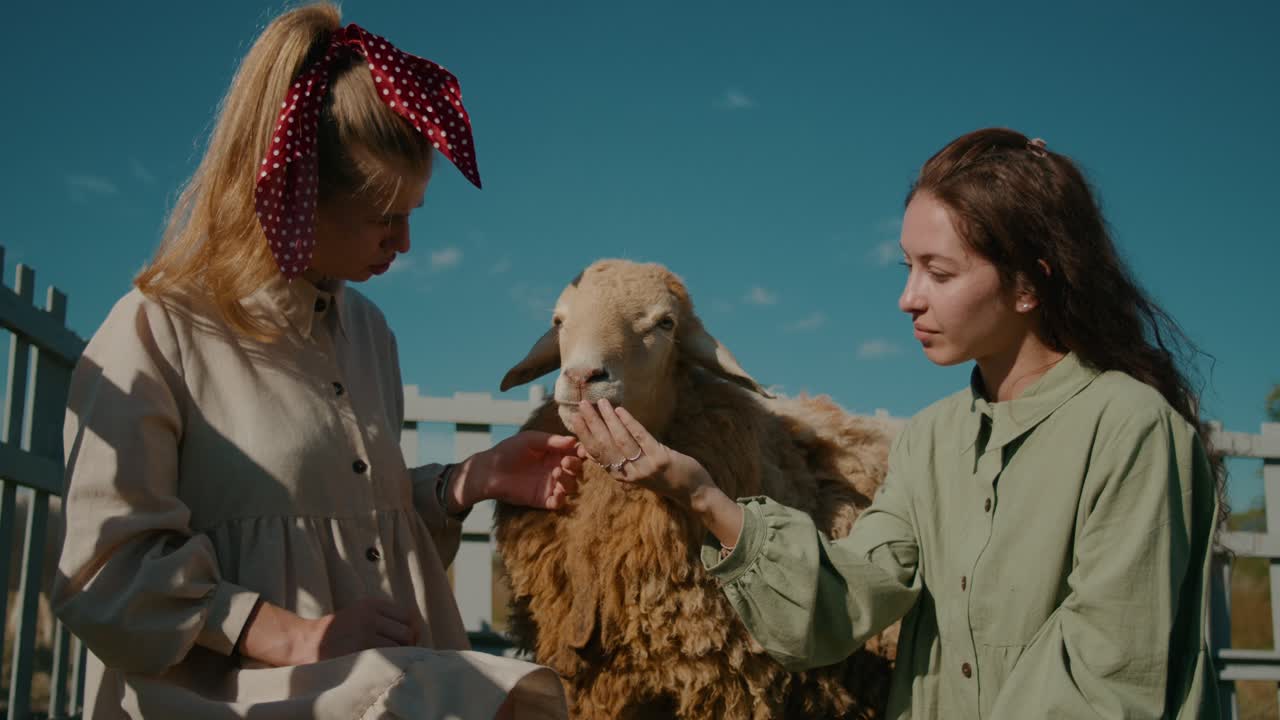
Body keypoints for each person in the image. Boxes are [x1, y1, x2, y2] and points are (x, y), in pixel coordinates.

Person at [570, 128, 1223, 718]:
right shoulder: (934, 440)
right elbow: (848, 600)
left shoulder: (1131, 430)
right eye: (908, 268)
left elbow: (1109, 674)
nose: (908, 298)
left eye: (937, 272)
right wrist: (703, 494)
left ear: (1028, 285)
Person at [52, 4, 578, 718]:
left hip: (375, 691)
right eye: (384, 217)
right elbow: (104, 577)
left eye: (414, 215)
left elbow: (352, 532)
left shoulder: (369, 335)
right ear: (292, 196)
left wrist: (466, 482)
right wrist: (297, 638)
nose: (405, 244)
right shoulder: (155, 333)